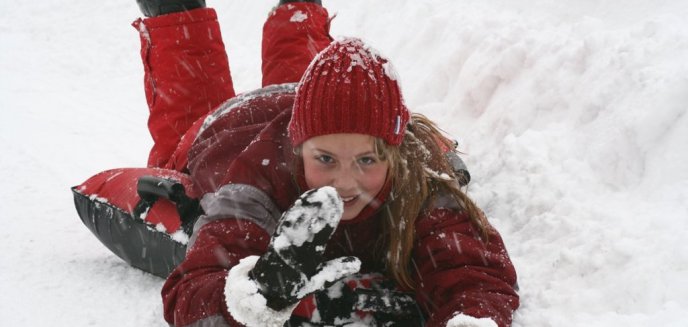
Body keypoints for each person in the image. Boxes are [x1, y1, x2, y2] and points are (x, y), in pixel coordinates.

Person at [132, 0, 519, 326]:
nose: (345, 182)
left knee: (307, 75)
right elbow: (191, 289)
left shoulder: (417, 177)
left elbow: (477, 278)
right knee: (190, 108)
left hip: (308, 104)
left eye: (367, 159)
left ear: (395, 155)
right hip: (228, 127)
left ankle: (298, 9)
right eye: (325, 160)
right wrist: (258, 292)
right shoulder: (255, 179)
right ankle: (175, 15)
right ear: (299, 150)